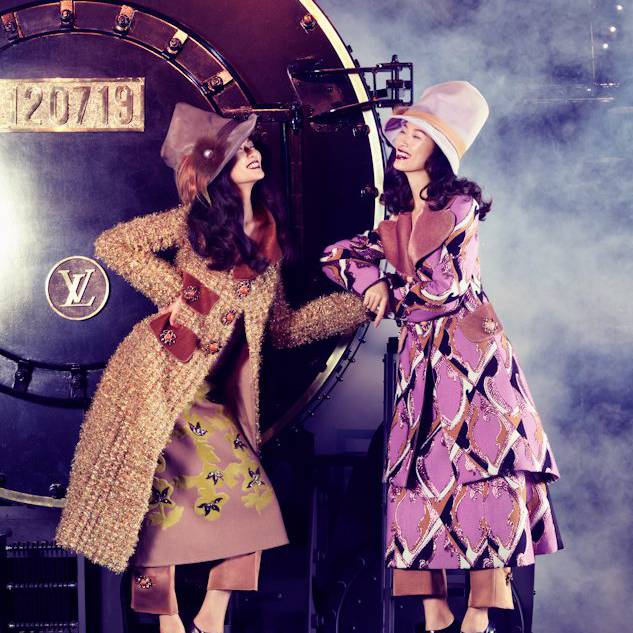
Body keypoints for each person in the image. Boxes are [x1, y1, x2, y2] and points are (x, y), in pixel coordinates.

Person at [55, 103, 369, 633]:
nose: (254, 153)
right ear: (218, 172)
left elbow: (282, 328)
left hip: (211, 393)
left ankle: (209, 617)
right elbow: (114, 244)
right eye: (241, 151)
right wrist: (184, 293)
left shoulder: (267, 237)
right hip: (161, 375)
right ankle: (168, 622)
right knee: (155, 501)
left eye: (252, 146)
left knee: (252, 501)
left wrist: (360, 305)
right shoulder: (192, 222)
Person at [321, 81, 563, 633]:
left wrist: (387, 291)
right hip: (421, 360)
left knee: (487, 471)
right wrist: (369, 284)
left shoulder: (459, 206)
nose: (402, 139)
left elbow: (441, 290)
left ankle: (478, 616)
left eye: (417, 132)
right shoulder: (397, 220)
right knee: (415, 476)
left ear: (440, 148)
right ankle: (434, 616)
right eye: (401, 130)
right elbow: (336, 255)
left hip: (473, 359)